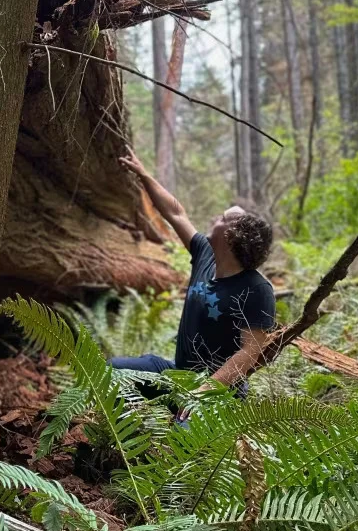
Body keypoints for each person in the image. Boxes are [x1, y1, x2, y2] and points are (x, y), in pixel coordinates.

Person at [113, 150, 275, 394]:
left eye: (222, 218)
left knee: (184, 432)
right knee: (112, 371)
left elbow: (251, 351)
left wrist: (206, 390)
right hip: (178, 375)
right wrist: (143, 175)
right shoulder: (205, 254)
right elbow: (176, 213)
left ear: (231, 237)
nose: (213, 219)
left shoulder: (257, 289)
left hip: (220, 390)